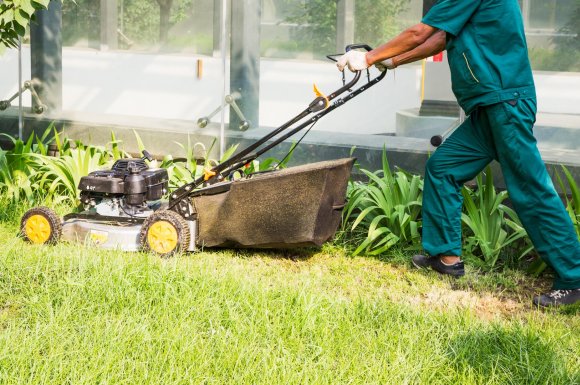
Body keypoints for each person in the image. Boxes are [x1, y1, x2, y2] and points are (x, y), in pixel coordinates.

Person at [337, 0, 580, 307]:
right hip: (488, 107)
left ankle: (574, 277)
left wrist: (369, 57)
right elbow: (442, 38)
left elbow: (419, 31)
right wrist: (393, 62)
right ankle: (447, 257)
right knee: (444, 167)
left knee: (530, 188)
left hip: (505, 103)